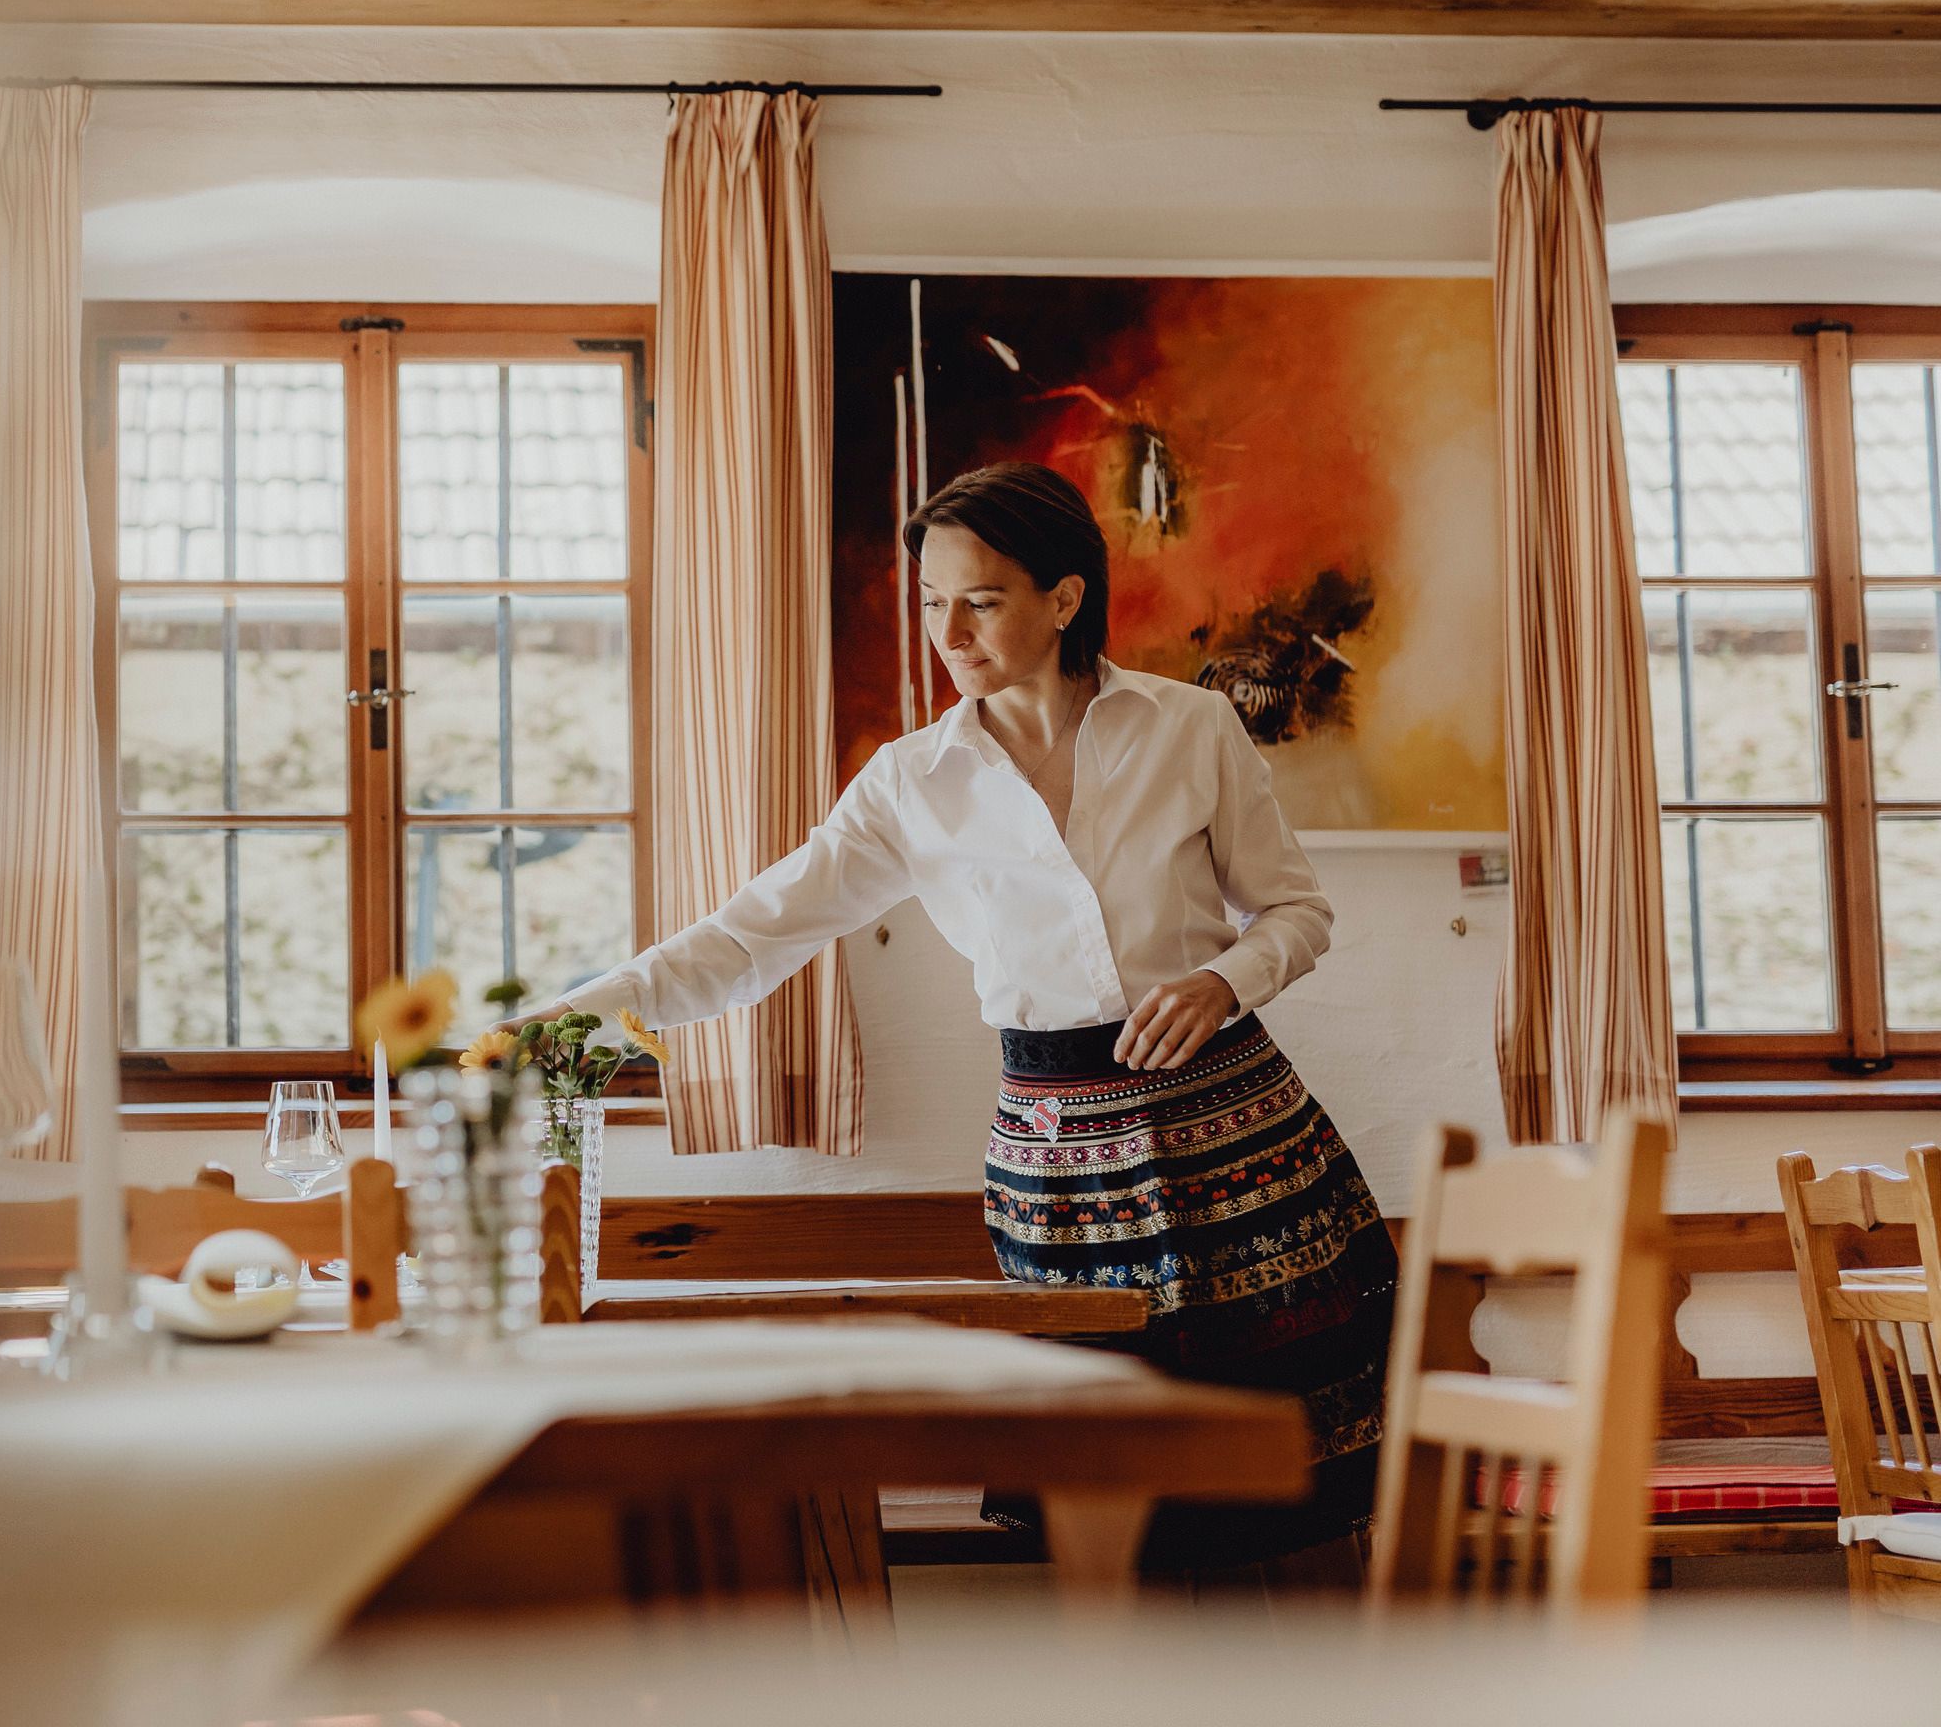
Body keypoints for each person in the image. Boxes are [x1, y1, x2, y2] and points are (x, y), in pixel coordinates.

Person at [551, 460, 1397, 1577]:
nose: (946, 629)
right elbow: (754, 931)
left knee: (1302, 1498)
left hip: (1245, 1147)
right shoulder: (910, 783)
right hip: (1062, 1172)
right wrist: (568, 1022)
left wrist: (1225, 980)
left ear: (1064, 595)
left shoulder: (1189, 727)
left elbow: (1295, 908)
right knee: (1113, 1510)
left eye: (980, 599)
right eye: (928, 601)